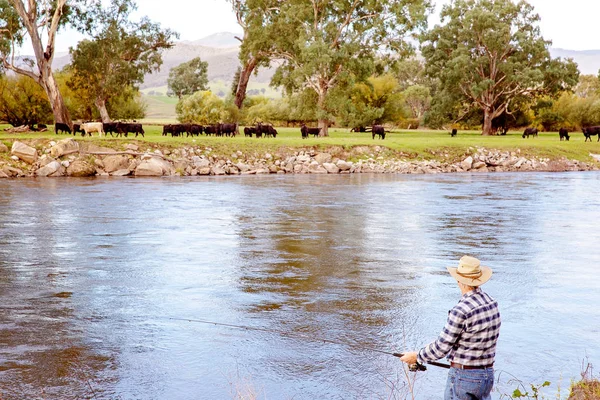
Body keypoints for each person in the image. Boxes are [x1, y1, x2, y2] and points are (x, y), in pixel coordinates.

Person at [400, 256, 501, 400]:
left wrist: (417, 356)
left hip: (464, 378)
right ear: (479, 280)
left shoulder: (461, 310)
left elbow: (441, 347)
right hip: (487, 375)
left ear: (459, 280)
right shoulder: (491, 303)